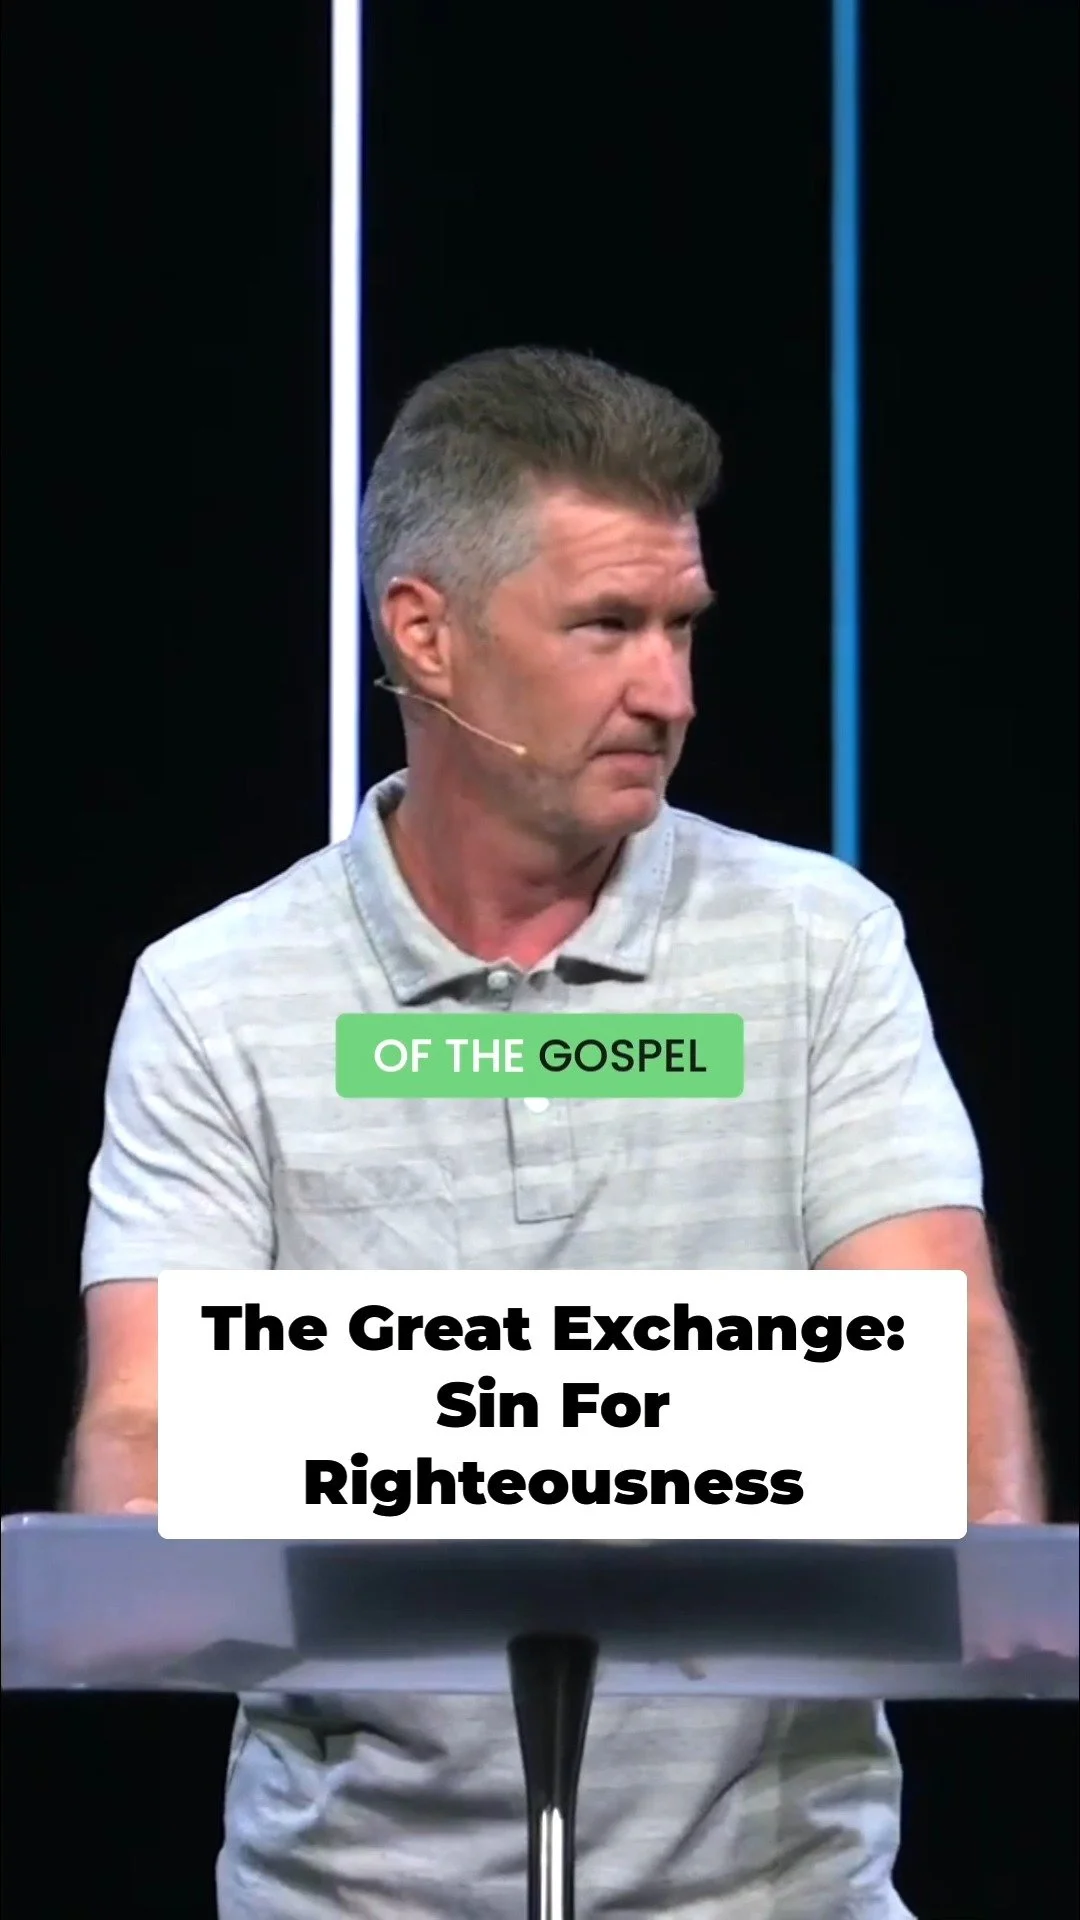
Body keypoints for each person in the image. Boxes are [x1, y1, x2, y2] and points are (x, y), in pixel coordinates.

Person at [66, 346, 1042, 1919]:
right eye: (606, 627)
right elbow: (150, 1432)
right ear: (426, 634)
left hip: (779, 1893)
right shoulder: (215, 995)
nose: (670, 692)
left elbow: (932, 1362)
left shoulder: (821, 943)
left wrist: (985, 1552)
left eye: (681, 628)